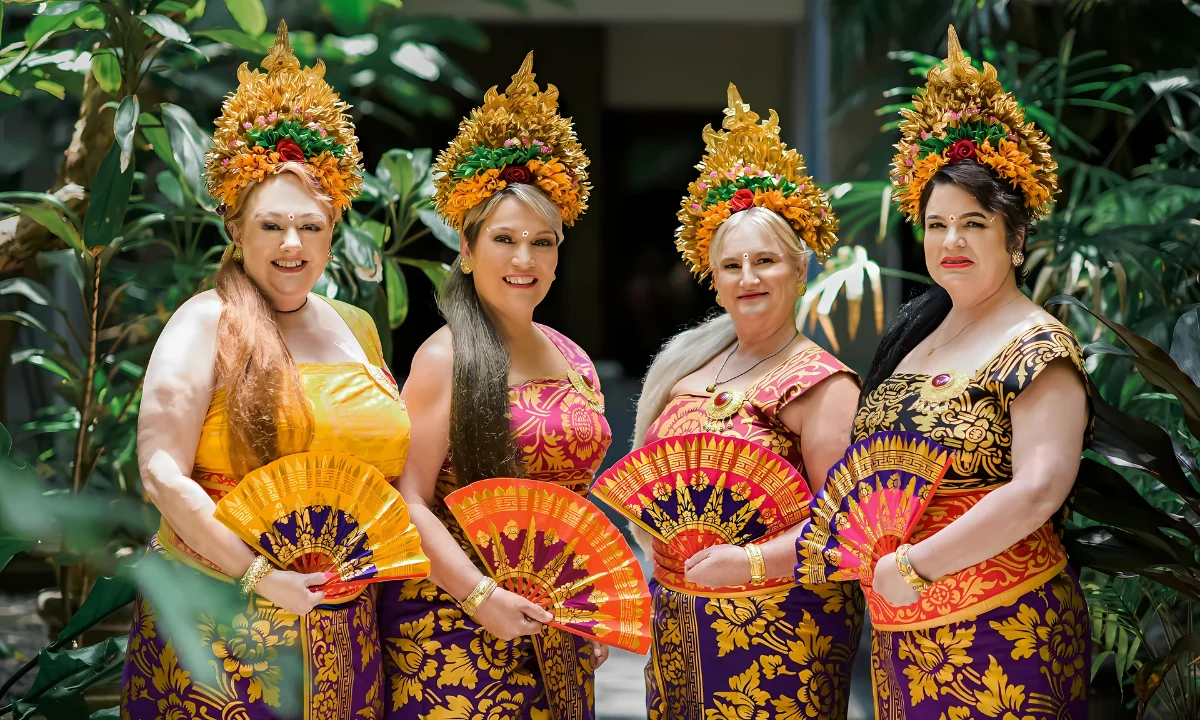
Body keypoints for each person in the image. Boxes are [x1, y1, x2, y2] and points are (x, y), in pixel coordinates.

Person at [121, 22, 399, 719]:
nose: (291, 244)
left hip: (346, 630)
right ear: (235, 228)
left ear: (333, 229)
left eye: (310, 226)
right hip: (221, 622)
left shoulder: (356, 327)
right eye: (271, 225)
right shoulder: (203, 322)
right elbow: (160, 474)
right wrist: (258, 574)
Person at [853, 26, 1090, 720]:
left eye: (974, 224)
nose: (950, 241)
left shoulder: (1036, 342)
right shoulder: (915, 333)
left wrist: (917, 565)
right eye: (936, 224)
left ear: (1015, 237)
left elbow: (1040, 488)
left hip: (1005, 629)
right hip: (900, 632)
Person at [377, 53, 611, 720]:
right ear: (467, 246)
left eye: (543, 242)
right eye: (505, 239)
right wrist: (481, 596)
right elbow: (408, 500)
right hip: (452, 630)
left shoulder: (574, 358)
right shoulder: (442, 359)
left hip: (553, 623)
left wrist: (587, 603)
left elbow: (577, 508)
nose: (524, 260)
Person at [633, 84, 864, 720]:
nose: (749, 278)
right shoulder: (689, 366)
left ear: (799, 270)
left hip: (781, 634)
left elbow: (844, 525)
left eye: (766, 261)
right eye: (732, 265)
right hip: (679, 624)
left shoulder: (822, 384)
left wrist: (748, 560)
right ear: (714, 276)